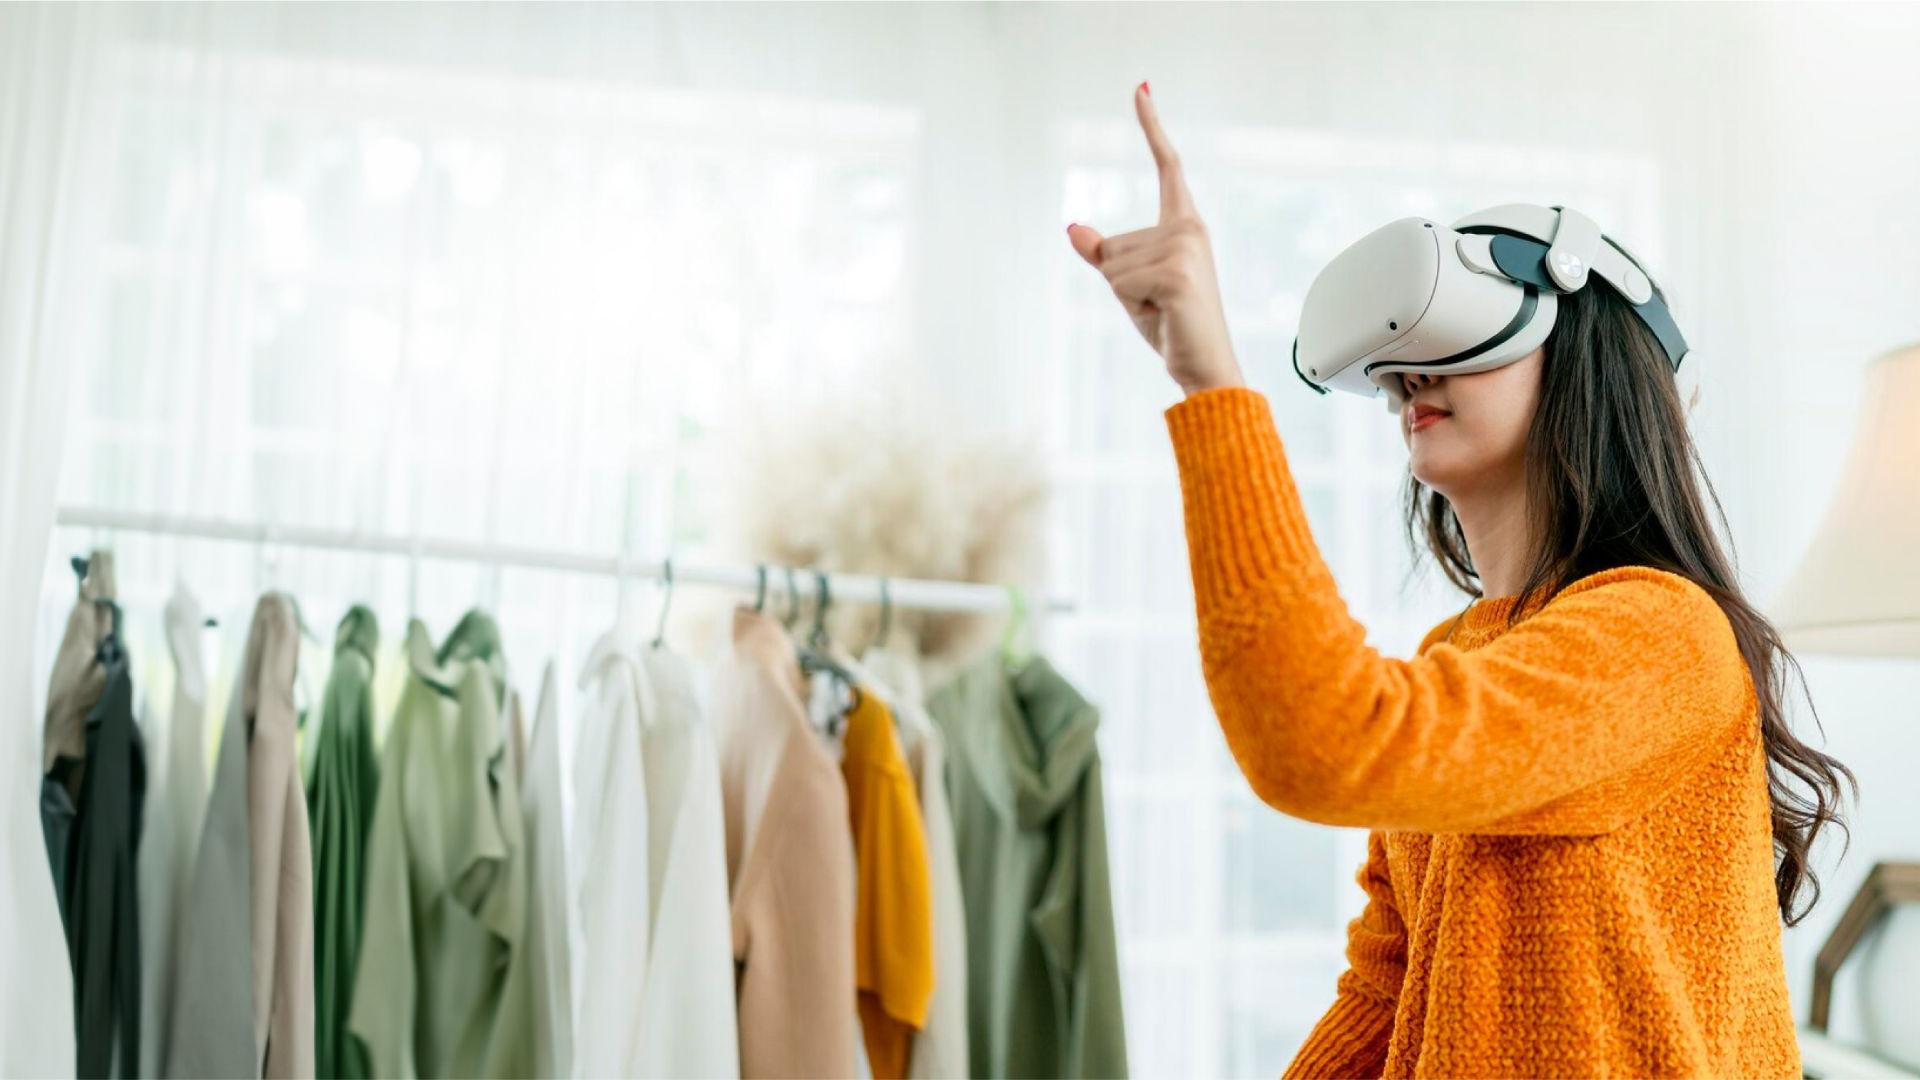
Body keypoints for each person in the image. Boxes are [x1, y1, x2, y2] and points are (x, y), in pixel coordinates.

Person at [1066, 82, 1857, 1078]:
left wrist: (1214, 384)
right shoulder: (1458, 657)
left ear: (1584, 359)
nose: (1409, 373)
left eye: (1459, 338)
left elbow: (1320, 741)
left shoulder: (1665, 635)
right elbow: (1384, 995)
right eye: (1400, 359)